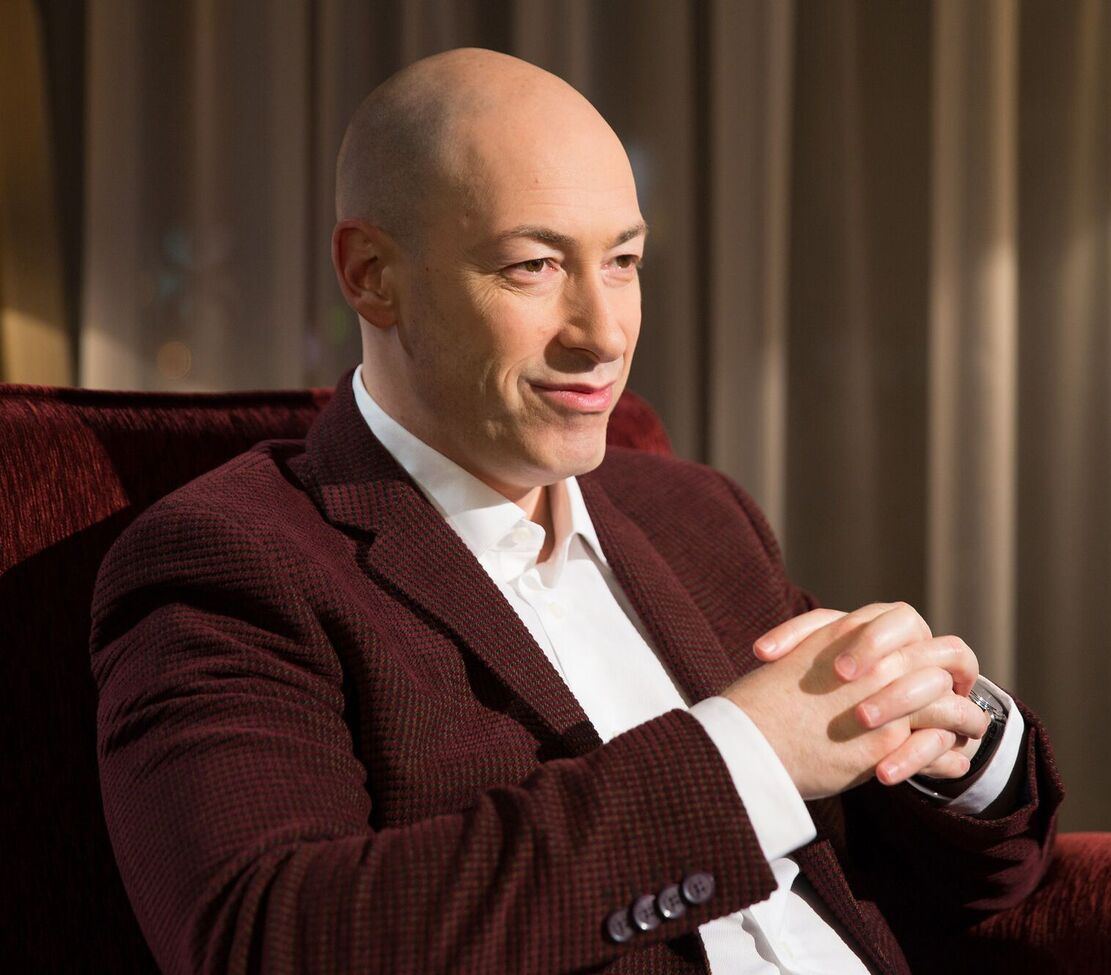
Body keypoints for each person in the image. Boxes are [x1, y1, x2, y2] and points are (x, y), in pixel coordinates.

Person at [90, 48, 1062, 974]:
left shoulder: (697, 513)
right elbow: (267, 941)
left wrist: (944, 733)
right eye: (534, 266)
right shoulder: (231, 561)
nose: (603, 333)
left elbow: (972, 879)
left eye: (624, 261)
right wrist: (744, 760)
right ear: (372, 275)